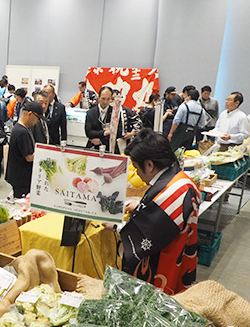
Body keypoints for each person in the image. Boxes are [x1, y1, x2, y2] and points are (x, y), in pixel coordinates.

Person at [105, 129, 200, 295]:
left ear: (149, 165)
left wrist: (116, 227)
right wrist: (142, 208)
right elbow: (160, 216)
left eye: (136, 167)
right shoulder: (179, 179)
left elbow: (150, 234)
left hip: (166, 262)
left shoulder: (176, 191)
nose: (137, 174)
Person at [85, 86, 140, 153]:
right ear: (98, 98)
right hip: (93, 147)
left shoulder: (116, 113)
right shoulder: (91, 113)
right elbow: (89, 132)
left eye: (108, 99)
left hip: (111, 148)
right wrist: (105, 133)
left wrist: (101, 140)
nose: (105, 102)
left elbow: (118, 132)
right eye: (103, 99)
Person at [6, 101, 43, 198]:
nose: (38, 121)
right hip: (21, 177)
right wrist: (43, 152)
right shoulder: (22, 132)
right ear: (30, 114)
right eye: (38, 118)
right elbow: (29, 157)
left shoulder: (21, 128)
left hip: (18, 175)